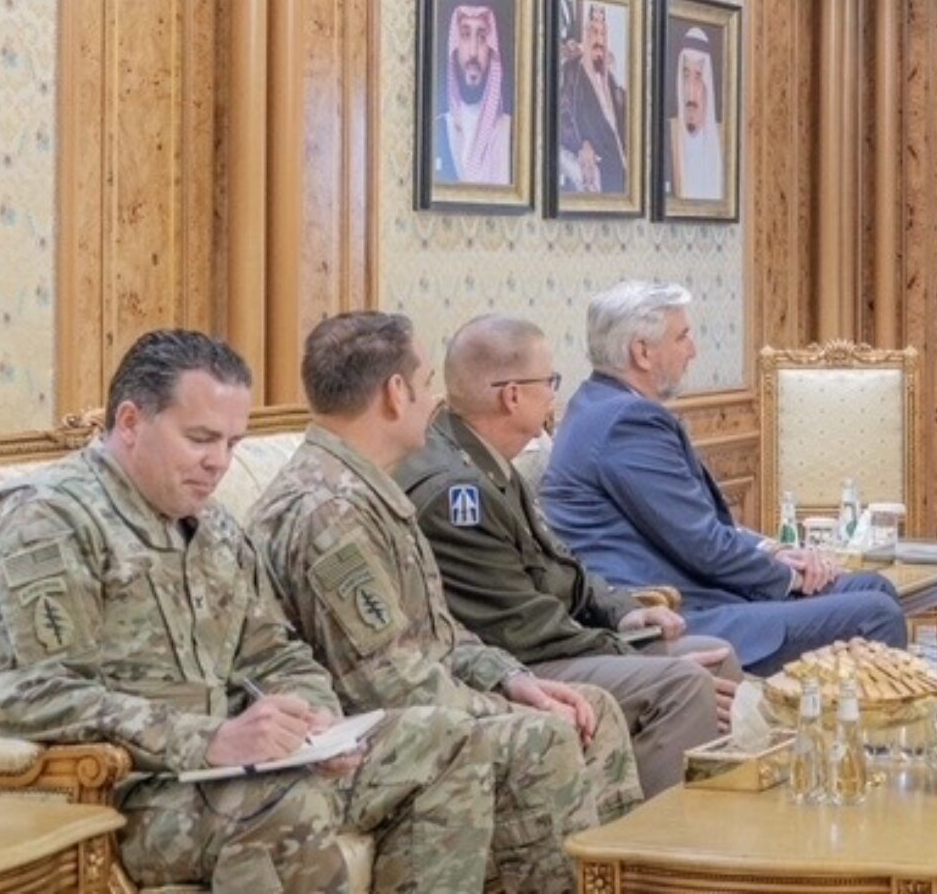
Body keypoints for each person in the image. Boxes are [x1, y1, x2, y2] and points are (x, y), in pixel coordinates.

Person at [0, 330, 493, 893]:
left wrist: (314, 723)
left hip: (226, 770)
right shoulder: (48, 522)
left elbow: (276, 652)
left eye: (232, 444)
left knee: (449, 740)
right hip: (112, 792)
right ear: (132, 422)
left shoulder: (213, 528)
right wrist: (209, 739)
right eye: (200, 439)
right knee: (285, 802)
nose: (219, 464)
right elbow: (26, 697)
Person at [248, 311, 643, 892]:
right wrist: (511, 711)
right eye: (428, 381)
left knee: (593, 708)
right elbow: (387, 682)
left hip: (420, 704)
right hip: (362, 732)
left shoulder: (370, 488)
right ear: (395, 392)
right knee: (545, 737)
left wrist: (512, 681)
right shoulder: (329, 510)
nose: (435, 400)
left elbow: (436, 632)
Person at [398, 314, 743, 795]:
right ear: (512, 395)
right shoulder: (456, 492)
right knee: (684, 686)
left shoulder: (485, 458)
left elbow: (561, 564)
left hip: (558, 641)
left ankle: (709, 828)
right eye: (550, 382)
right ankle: (638, 850)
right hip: (516, 663)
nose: (555, 395)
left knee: (717, 660)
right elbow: (522, 627)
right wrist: (631, 655)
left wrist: (623, 613)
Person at [542, 280, 908, 674]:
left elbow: (698, 528)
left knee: (871, 586)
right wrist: (789, 577)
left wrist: (772, 550)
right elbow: (702, 545)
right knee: (876, 613)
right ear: (642, 352)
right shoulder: (626, 422)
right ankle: (861, 734)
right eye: (682, 337)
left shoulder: (600, 403)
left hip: (698, 588)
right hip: (675, 611)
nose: (693, 350)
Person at [434, 0, 512, 185]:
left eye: (482, 37)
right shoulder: (438, 129)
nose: (473, 52)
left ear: (492, 49)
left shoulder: (510, 132)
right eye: (465, 35)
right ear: (454, 44)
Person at [557, 3, 628, 194]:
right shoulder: (572, 71)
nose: (599, 40)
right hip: (597, 165)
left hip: (619, 169)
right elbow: (563, 117)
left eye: (602, 34)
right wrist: (581, 144)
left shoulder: (611, 81)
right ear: (585, 36)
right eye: (593, 32)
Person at [668, 25, 722, 200]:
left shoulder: (724, 141)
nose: (690, 90)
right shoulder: (669, 136)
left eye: (698, 76)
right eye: (685, 76)